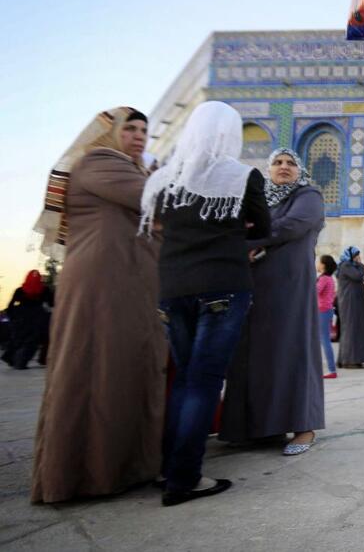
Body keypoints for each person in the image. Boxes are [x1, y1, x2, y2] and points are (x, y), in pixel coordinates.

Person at [31, 107, 167, 504]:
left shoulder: (131, 170)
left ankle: (124, 468)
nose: (140, 136)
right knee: (95, 370)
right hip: (102, 286)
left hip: (128, 284)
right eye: (131, 129)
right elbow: (155, 202)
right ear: (110, 134)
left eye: (145, 130)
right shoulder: (99, 163)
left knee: (124, 371)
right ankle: (81, 475)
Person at [141, 101, 270, 506]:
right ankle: (184, 478)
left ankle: (169, 469)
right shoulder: (240, 175)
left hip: (172, 289)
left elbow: (157, 225)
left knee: (184, 379)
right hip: (222, 285)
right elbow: (262, 226)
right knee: (204, 382)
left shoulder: (163, 179)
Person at [219, 148, 326, 457]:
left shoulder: (308, 195)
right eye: (277, 163)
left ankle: (304, 425)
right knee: (255, 354)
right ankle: (257, 427)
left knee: (291, 350)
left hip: (290, 287)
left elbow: (291, 226)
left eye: (290, 163)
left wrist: (250, 241)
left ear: (299, 170)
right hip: (256, 286)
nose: (283, 167)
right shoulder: (261, 200)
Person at [3, 271, 52, 370]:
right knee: (33, 341)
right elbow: (52, 303)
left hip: (21, 318)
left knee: (19, 340)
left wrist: (12, 316)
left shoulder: (20, 290)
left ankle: (11, 358)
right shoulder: (44, 290)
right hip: (38, 318)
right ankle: (24, 361)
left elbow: (10, 305)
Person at [336, 247, 364, 368]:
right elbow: (357, 276)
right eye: (356, 255)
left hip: (354, 301)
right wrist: (361, 265)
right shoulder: (346, 265)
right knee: (351, 329)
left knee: (355, 329)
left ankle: (352, 358)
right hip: (349, 302)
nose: (358, 258)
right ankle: (348, 360)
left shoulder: (348, 266)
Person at [316, 256, 338, 378]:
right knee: (322, 340)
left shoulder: (324, 279)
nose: (317, 264)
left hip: (322, 311)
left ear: (323, 265)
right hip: (325, 310)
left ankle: (331, 369)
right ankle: (329, 368)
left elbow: (315, 291)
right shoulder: (329, 278)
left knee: (325, 340)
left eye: (319, 262)